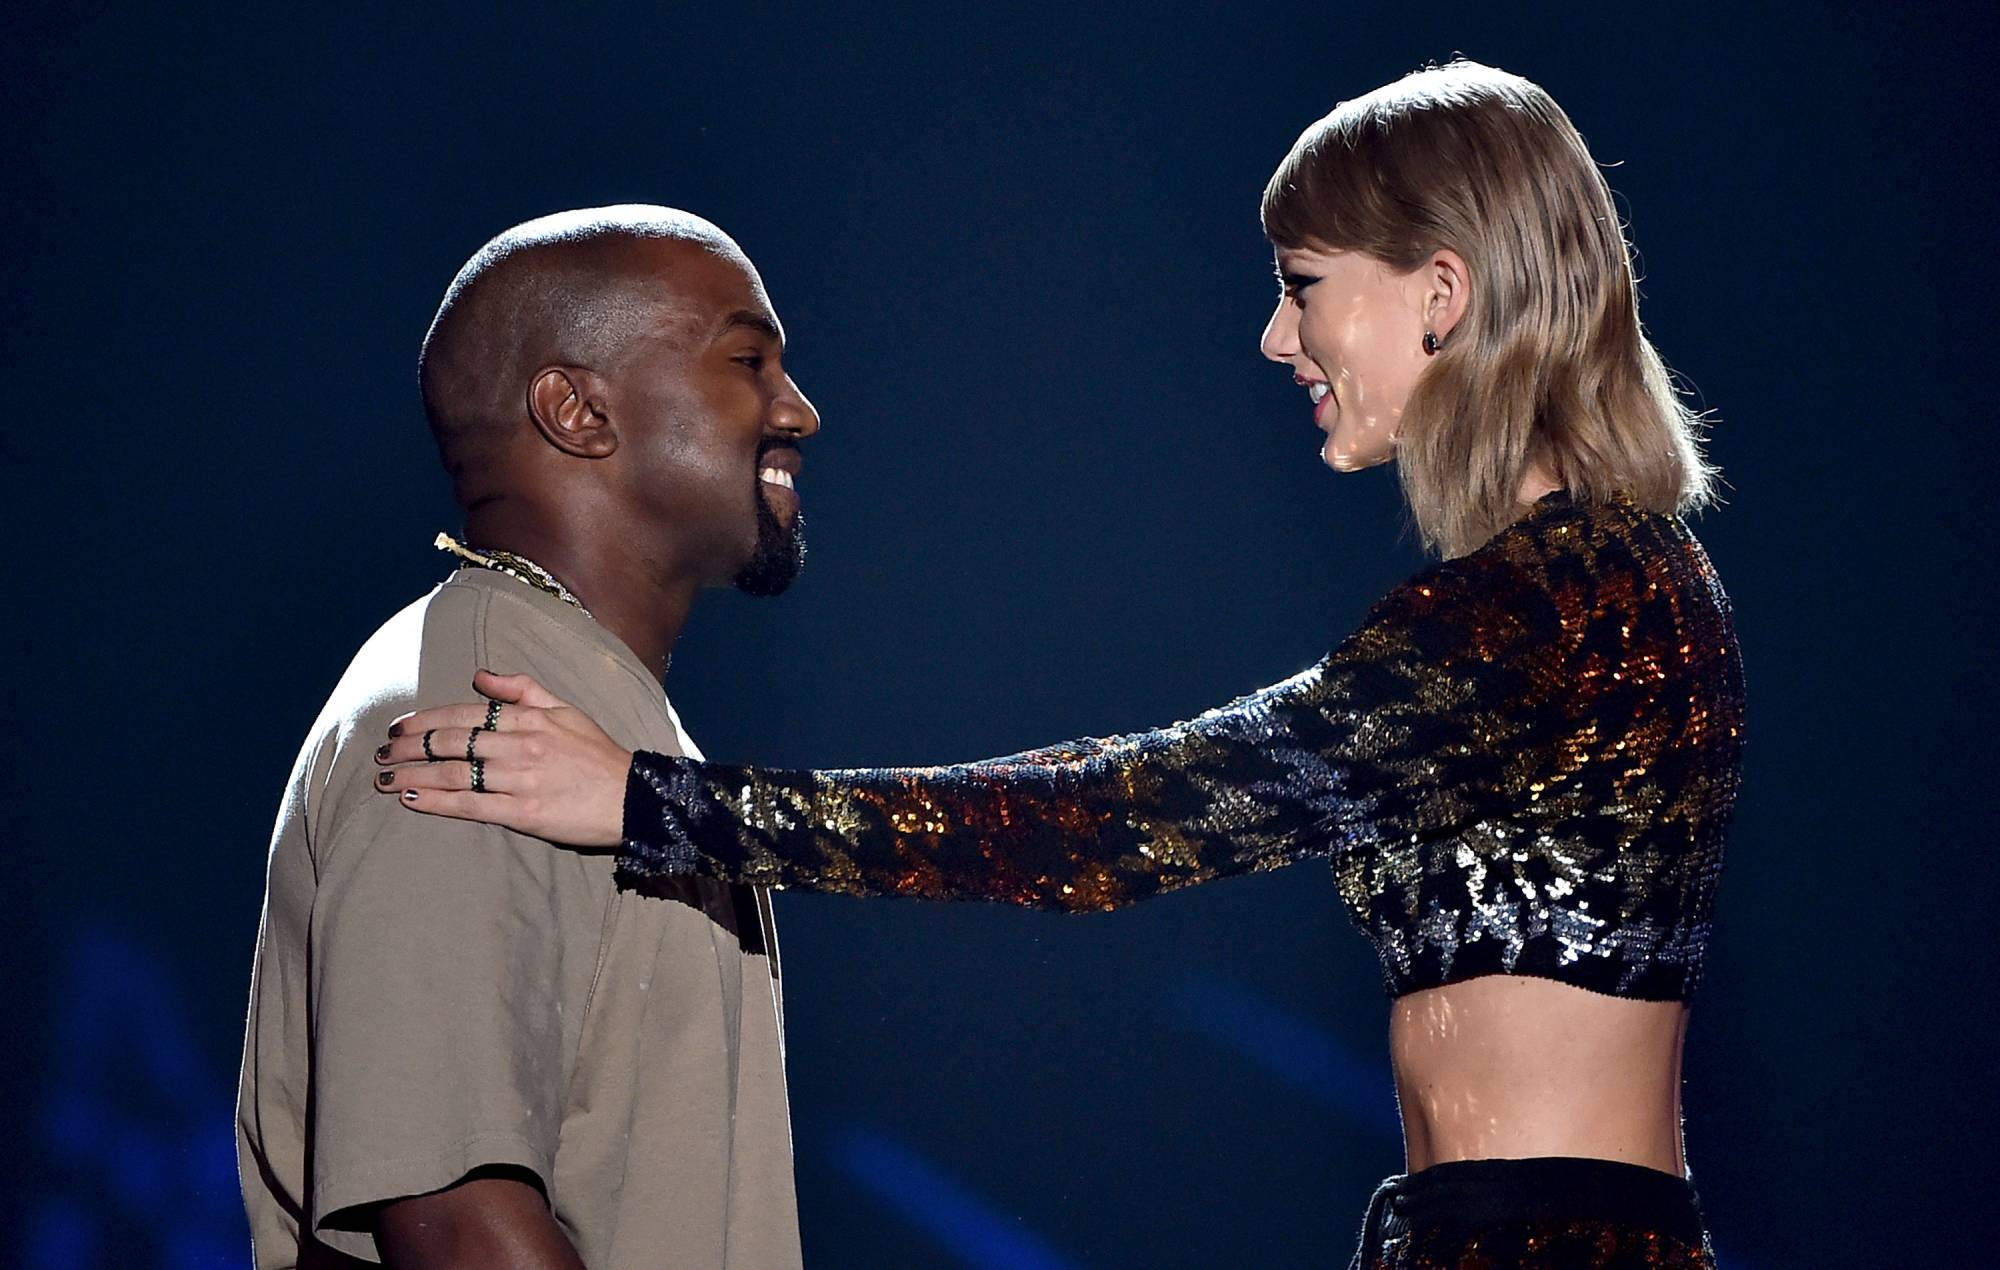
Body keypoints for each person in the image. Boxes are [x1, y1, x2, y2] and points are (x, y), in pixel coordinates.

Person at [375, 62, 1738, 1269]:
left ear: (1441, 289)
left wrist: (649, 801)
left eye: (1304, 285)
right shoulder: (1597, 584)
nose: (1278, 338)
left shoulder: (1555, 601)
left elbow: (1109, 821)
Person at [238, 205, 817, 1269]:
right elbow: (459, 1230)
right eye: (749, 358)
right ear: (576, 410)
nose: (799, 411)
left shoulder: (588, 717)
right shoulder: (469, 714)